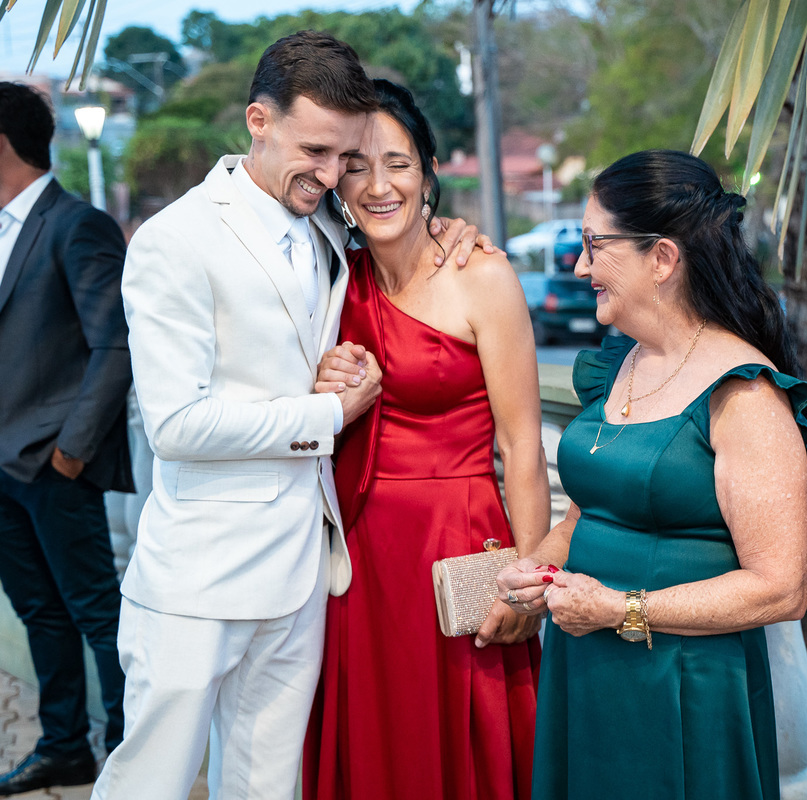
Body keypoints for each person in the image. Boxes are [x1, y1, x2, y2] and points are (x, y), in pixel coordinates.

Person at [91, 33, 488, 800]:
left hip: (307, 575)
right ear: (258, 121)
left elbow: (399, 235)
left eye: (344, 156)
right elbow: (176, 426)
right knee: (149, 785)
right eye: (315, 151)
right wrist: (325, 413)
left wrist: (447, 228)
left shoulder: (330, 228)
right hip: (199, 581)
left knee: (268, 788)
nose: (332, 175)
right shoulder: (177, 240)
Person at [496, 149, 807, 800]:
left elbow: (781, 589)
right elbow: (586, 515)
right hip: (587, 665)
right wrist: (536, 568)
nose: (580, 266)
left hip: (684, 684)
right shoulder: (619, 362)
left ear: (662, 258)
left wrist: (619, 610)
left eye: (595, 246)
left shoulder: (744, 396)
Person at [302, 78, 546, 800]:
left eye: (398, 164)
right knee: (377, 746)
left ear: (429, 171)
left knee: (463, 745)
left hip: (457, 544)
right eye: (356, 166)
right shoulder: (330, 277)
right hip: (359, 557)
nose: (379, 186)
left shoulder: (481, 274)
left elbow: (523, 448)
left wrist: (530, 584)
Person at [0, 82, 131, 796]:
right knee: (39, 613)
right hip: (3, 468)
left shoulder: (77, 224)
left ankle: (126, 755)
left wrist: (71, 453)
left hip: (55, 465)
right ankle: (63, 748)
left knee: (98, 614)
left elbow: (114, 344)